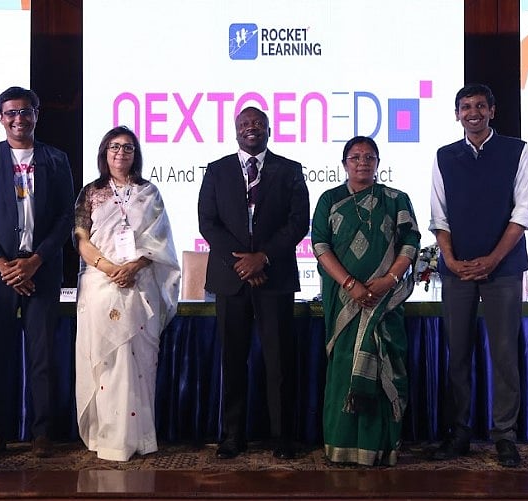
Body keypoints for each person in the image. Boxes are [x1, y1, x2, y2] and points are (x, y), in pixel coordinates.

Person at [428, 83, 528, 468]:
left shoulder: (516, 151)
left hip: (503, 269)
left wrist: (492, 259)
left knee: (504, 354)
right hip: (456, 269)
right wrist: (450, 259)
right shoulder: (444, 156)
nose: (472, 113)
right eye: (465, 107)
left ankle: (504, 435)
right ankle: (458, 433)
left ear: (492, 110)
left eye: (479, 106)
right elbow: (438, 216)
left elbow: (525, 212)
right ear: (457, 114)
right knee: (457, 353)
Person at [0, 86, 75, 461]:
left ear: (36, 114)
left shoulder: (56, 159)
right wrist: (1, 263)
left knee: (42, 355)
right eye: (10, 113)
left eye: (25, 111)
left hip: (40, 269)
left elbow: (65, 216)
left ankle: (42, 433)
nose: (18, 119)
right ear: (1, 118)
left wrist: (35, 261)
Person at [197, 106, 310, 460]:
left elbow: (298, 222)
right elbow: (208, 222)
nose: (252, 127)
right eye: (245, 123)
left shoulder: (289, 170)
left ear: (269, 130)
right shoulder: (216, 170)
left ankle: (283, 437)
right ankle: (233, 436)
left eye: (258, 123)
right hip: (231, 281)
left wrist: (263, 257)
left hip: (274, 278)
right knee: (233, 361)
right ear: (235, 131)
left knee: (279, 363)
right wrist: (243, 263)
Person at [311, 136, 421, 466]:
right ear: (344, 163)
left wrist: (389, 280)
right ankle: (341, 444)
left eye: (369, 157)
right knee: (344, 367)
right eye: (355, 157)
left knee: (385, 364)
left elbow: (410, 242)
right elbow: (320, 245)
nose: (362, 162)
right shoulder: (329, 199)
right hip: (343, 301)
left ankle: (380, 447)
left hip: (385, 302)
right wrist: (350, 284)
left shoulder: (396, 199)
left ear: (378, 163)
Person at [73, 126, 181, 461]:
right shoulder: (91, 192)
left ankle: (139, 438)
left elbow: (159, 240)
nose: (121, 153)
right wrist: (110, 268)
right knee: (107, 360)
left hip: (140, 284)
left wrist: (133, 267)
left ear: (136, 154)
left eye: (128, 147)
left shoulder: (149, 192)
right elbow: (82, 240)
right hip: (100, 284)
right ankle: (108, 437)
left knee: (139, 362)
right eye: (115, 147)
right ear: (104, 152)